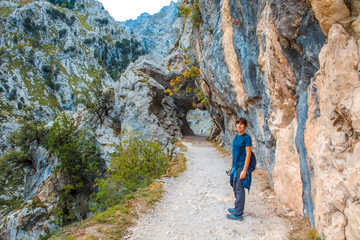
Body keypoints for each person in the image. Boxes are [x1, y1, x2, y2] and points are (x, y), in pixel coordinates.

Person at [227, 117, 252, 221]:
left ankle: (238, 214)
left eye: (242, 124)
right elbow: (233, 153)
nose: (239, 125)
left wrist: (245, 169)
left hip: (242, 166)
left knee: (239, 189)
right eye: (237, 123)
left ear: (245, 126)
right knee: (234, 187)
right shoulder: (236, 137)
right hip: (235, 166)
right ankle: (237, 207)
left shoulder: (247, 138)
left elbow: (248, 154)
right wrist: (231, 166)